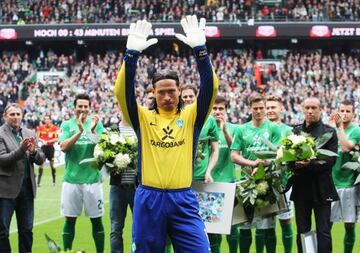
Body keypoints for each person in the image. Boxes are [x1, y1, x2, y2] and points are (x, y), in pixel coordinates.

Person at [114, 16, 218, 253]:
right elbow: (121, 92)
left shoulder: (192, 116)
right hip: (149, 199)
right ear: (153, 93)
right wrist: (130, 57)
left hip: (183, 199)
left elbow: (211, 88)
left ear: (180, 90)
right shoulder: (142, 118)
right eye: (162, 92)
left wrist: (201, 51)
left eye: (172, 91)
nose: (168, 96)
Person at [231, 94, 281, 253]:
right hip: (246, 184)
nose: (258, 111)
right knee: (245, 227)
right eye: (255, 108)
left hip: (268, 182)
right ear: (249, 108)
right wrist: (252, 163)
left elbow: (279, 154)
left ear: (265, 108)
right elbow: (234, 155)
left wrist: (263, 163)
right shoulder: (241, 129)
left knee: (268, 227)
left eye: (261, 108)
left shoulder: (273, 128)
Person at [290, 97, 338, 253]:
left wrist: (309, 164)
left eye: (314, 108)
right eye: (307, 108)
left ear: (320, 109)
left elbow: (330, 161)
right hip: (301, 189)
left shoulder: (329, 132)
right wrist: (293, 164)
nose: (310, 111)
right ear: (303, 109)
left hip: (322, 189)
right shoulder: (295, 131)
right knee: (302, 230)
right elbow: (286, 159)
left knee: (323, 231)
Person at [58, 93, 105, 253]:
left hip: (92, 180)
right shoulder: (66, 125)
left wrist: (91, 130)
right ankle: (67, 250)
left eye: (86, 106)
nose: (83, 109)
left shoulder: (96, 125)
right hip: (72, 181)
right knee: (69, 219)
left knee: (96, 220)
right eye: (80, 106)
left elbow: (104, 147)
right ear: (74, 108)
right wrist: (78, 132)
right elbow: (63, 147)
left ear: (89, 108)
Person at [0, 103, 45, 253]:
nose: (15, 117)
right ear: (5, 116)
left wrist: (33, 152)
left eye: (18, 114)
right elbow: (3, 160)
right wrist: (22, 149)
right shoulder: (0, 134)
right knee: (2, 231)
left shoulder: (29, 132)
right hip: (6, 190)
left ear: (22, 116)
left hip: (27, 188)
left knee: (26, 231)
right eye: (12, 114)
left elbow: (41, 159)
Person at [329, 100, 360, 253]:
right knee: (326, 224)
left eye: (348, 111)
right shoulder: (330, 130)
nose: (345, 114)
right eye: (342, 110)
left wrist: (339, 127)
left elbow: (346, 147)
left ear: (353, 114)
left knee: (349, 224)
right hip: (331, 183)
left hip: (349, 184)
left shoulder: (356, 131)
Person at [209, 95, 239, 253]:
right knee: (212, 230)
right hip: (209, 183)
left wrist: (225, 130)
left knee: (233, 228)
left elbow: (234, 150)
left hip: (228, 182)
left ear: (226, 110)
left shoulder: (234, 128)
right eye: (215, 108)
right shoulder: (204, 127)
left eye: (221, 108)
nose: (218, 111)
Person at [266, 95, 294, 253]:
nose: (270, 110)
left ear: (281, 109)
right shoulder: (261, 129)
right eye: (268, 107)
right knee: (267, 224)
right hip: (263, 183)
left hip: (284, 183)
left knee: (286, 221)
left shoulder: (288, 131)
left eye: (273, 107)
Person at [109, 106, 137, 253]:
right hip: (117, 186)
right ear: (119, 107)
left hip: (137, 187)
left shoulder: (140, 129)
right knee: (115, 228)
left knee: (139, 227)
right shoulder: (113, 130)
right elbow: (105, 155)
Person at [181, 84, 219, 184]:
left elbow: (215, 150)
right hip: (180, 175)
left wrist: (208, 171)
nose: (188, 99)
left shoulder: (209, 120)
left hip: (201, 176)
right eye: (185, 97)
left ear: (196, 97)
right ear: (180, 99)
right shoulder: (176, 119)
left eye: (191, 96)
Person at [37, 114, 58, 186]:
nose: (47, 120)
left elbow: (56, 138)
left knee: (52, 165)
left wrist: (48, 141)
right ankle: (38, 182)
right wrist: (42, 140)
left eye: (48, 119)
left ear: (50, 120)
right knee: (41, 164)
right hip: (43, 148)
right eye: (45, 119)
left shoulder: (54, 128)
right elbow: (38, 137)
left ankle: (54, 181)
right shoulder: (41, 128)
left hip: (51, 148)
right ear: (44, 120)